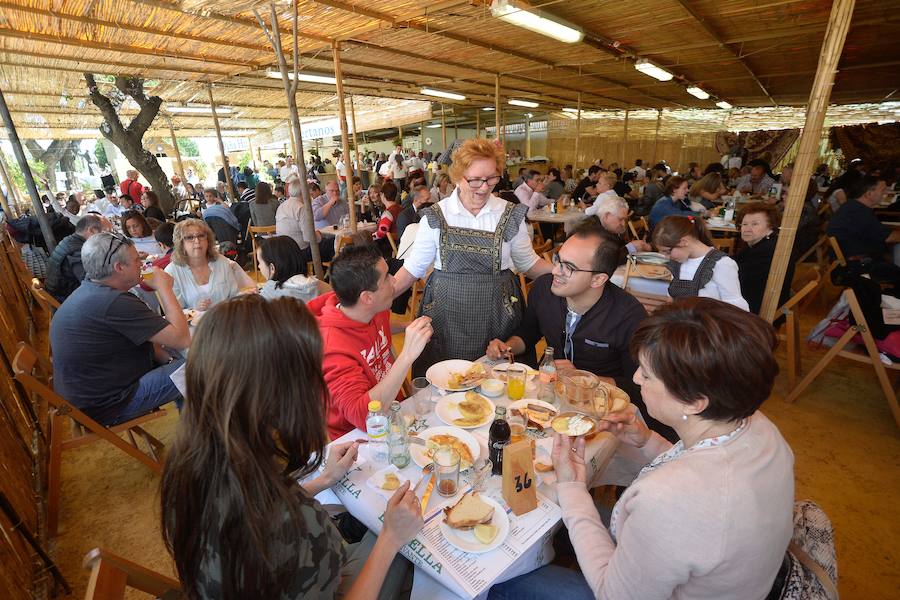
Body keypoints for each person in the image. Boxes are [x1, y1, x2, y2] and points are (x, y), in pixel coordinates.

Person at [490, 298, 794, 600]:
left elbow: (614, 594)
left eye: (647, 375)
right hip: (735, 572)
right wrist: (648, 441)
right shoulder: (759, 426)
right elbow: (698, 470)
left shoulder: (667, 500)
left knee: (499, 576)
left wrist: (571, 486)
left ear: (695, 401)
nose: (635, 378)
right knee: (550, 513)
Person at [160, 295, 422, 600]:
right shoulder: (292, 527)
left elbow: (266, 505)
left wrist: (323, 480)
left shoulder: (192, 460)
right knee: (411, 547)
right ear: (280, 396)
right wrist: (391, 538)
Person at [485, 220, 674, 439]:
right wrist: (507, 346)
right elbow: (528, 333)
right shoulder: (544, 290)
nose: (555, 270)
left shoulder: (628, 315)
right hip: (549, 404)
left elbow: (638, 385)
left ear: (598, 279)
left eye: (569, 267)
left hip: (604, 415)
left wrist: (582, 379)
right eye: (558, 260)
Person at [391, 138, 553, 372]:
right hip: (447, 317)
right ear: (457, 177)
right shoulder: (437, 215)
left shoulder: (509, 214)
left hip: (498, 315)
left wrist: (562, 270)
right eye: (476, 180)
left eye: (491, 178)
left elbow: (528, 264)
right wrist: (375, 300)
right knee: (447, 378)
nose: (485, 187)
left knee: (497, 381)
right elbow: (413, 269)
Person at [50, 232, 191, 426]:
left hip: (86, 398)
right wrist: (164, 287)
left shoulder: (91, 289)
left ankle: (193, 427)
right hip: (106, 405)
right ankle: (202, 439)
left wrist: (168, 359)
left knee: (180, 364)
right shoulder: (113, 302)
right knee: (198, 369)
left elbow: (147, 340)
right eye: (136, 261)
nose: (141, 264)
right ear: (119, 268)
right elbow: (182, 338)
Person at [308, 244, 433, 439]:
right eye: (386, 277)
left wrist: (405, 325)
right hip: (358, 438)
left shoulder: (372, 308)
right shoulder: (332, 348)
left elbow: (375, 326)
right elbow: (365, 416)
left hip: (395, 409)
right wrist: (407, 355)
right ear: (367, 297)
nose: (394, 280)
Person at [653, 215, 749, 310]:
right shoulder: (678, 263)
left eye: (667, 251)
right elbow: (671, 297)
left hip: (710, 323)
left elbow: (735, 305)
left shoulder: (721, 264)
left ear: (683, 242)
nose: (666, 257)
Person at [164, 218, 256, 310]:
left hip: (226, 319)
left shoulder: (222, 262)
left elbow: (233, 295)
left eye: (201, 236)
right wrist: (195, 309)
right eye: (189, 237)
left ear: (208, 240)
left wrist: (244, 296)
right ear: (181, 243)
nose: (197, 241)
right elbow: (176, 311)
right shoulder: (172, 272)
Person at [827, 175, 900, 286]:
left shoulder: (853, 207)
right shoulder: (859, 212)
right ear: (868, 194)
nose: (887, 193)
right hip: (858, 266)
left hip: (855, 259)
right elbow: (889, 237)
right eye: (883, 190)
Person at [735, 203, 793, 314]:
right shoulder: (758, 244)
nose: (747, 229)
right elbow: (737, 260)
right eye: (744, 224)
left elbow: (741, 275)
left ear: (771, 226)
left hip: (762, 310)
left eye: (755, 224)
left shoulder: (769, 249)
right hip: (753, 297)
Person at [45, 215, 109, 302]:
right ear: (92, 230)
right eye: (106, 233)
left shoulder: (71, 241)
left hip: (61, 292)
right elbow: (92, 283)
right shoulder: (78, 251)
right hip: (65, 300)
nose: (109, 238)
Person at [276, 176, 331, 264]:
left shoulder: (281, 206)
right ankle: (327, 275)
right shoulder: (302, 208)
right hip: (300, 252)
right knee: (332, 243)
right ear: (304, 192)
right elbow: (309, 238)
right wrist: (320, 236)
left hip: (284, 251)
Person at [257, 235, 327, 303]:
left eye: (259, 262)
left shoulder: (270, 290)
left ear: (272, 268)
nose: (259, 266)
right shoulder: (318, 285)